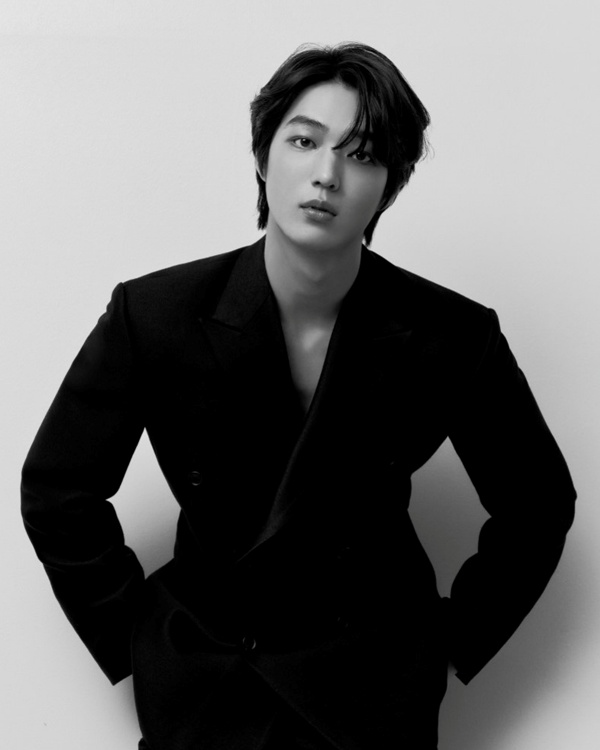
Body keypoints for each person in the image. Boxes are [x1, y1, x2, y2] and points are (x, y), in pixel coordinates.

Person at [21, 42, 576, 750]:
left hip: (372, 691)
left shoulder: (453, 335)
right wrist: (133, 638)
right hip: (207, 685)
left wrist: (449, 643)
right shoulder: (155, 314)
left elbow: (537, 503)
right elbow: (58, 489)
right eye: (305, 141)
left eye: (362, 153)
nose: (327, 175)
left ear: (390, 185)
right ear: (263, 155)